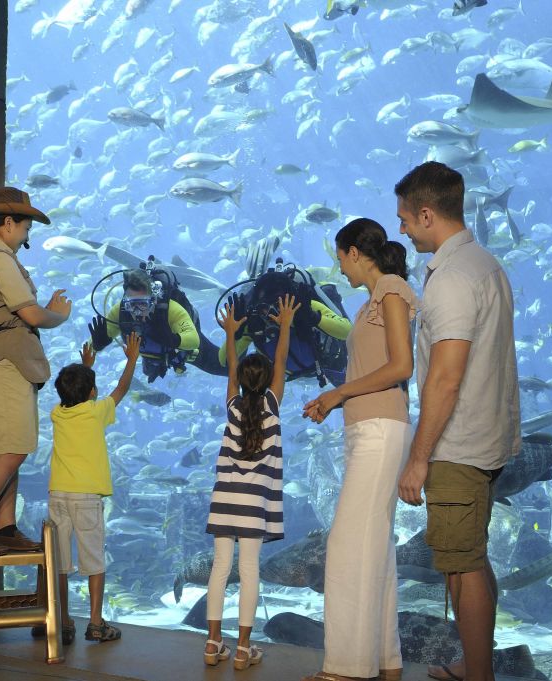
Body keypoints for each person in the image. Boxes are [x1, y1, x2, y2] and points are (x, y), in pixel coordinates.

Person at [395, 161, 520, 681]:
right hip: (487, 441)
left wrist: (418, 458)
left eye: (405, 218)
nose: (402, 228)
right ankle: (476, 664)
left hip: (458, 447)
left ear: (427, 214)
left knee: (460, 566)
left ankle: (479, 676)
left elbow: (445, 379)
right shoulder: (486, 264)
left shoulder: (450, 280)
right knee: (473, 558)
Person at [302, 218, 419, 681]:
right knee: (376, 551)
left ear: (354, 252)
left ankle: (347, 669)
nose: (339, 268)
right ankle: (386, 662)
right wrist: (336, 399)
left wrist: (339, 393)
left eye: (340, 257)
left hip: (380, 429)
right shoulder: (369, 302)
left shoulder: (391, 289)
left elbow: (402, 365)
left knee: (347, 546)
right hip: (369, 428)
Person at [0, 186, 72, 555]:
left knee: (13, 449)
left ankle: (5, 528)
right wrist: (58, 315)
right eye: (25, 228)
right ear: (8, 223)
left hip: (11, 361)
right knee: (11, 452)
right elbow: (31, 315)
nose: (26, 237)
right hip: (5, 363)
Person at [202, 294, 298, 671]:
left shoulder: (233, 409)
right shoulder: (272, 407)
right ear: (269, 382)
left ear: (241, 382)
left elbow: (231, 371)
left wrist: (230, 334)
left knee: (219, 569)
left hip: (225, 502)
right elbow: (282, 361)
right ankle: (243, 648)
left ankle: (213, 643)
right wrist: (285, 325)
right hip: (254, 506)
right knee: (249, 571)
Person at [46, 331, 141, 644]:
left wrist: (86, 366)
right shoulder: (95, 411)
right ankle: (96, 623)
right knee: (94, 560)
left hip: (58, 495)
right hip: (86, 497)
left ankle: (64, 621)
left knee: (60, 563)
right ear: (91, 392)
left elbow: (74, 392)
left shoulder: (57, 413)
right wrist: (132, 360)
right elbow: (121, 389)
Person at [220, 263, 352, 387]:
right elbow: (223, 360)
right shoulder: (255, 323)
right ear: (258, 308)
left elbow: (348, 332)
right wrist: (235, 334)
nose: (274, 313)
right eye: (266, 308)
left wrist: (313, 317)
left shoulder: (304, 307)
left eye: (279, 305)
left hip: (328, 363)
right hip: (290, 375)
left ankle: (325, 287)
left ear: (291, 301)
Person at [88, 267, 201, 382]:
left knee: (212, 363)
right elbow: (89, 348)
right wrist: (97, 345)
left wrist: (173, 340)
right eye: (131, 305)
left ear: (154, 301)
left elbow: (194, 340)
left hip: (181, 353)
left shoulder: (170, 310)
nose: (137, 311)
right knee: (148, 371)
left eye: (143, 304)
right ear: (125, 302)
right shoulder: (120, 311)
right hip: (150, 355)